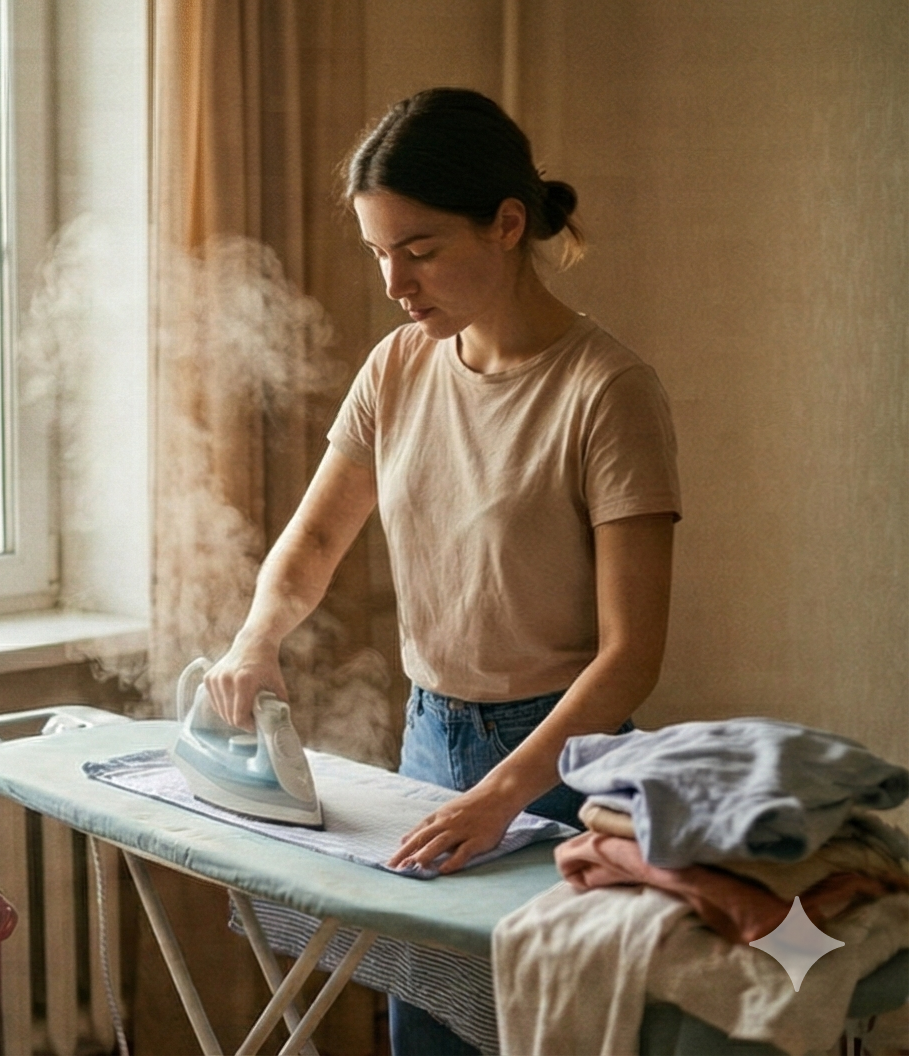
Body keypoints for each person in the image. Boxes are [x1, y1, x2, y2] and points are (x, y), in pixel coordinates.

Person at [198, 87, 677, 1055]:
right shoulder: (397, 369)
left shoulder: (606, 394)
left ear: (507, 225)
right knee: (427, 1034)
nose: (392, 282)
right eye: (378, 253)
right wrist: (256, 640)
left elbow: (631, 655)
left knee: (544, 1032)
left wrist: (502, 795)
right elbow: (314, 544)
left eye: (417, 251)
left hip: (559, 765)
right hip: (429, 743)